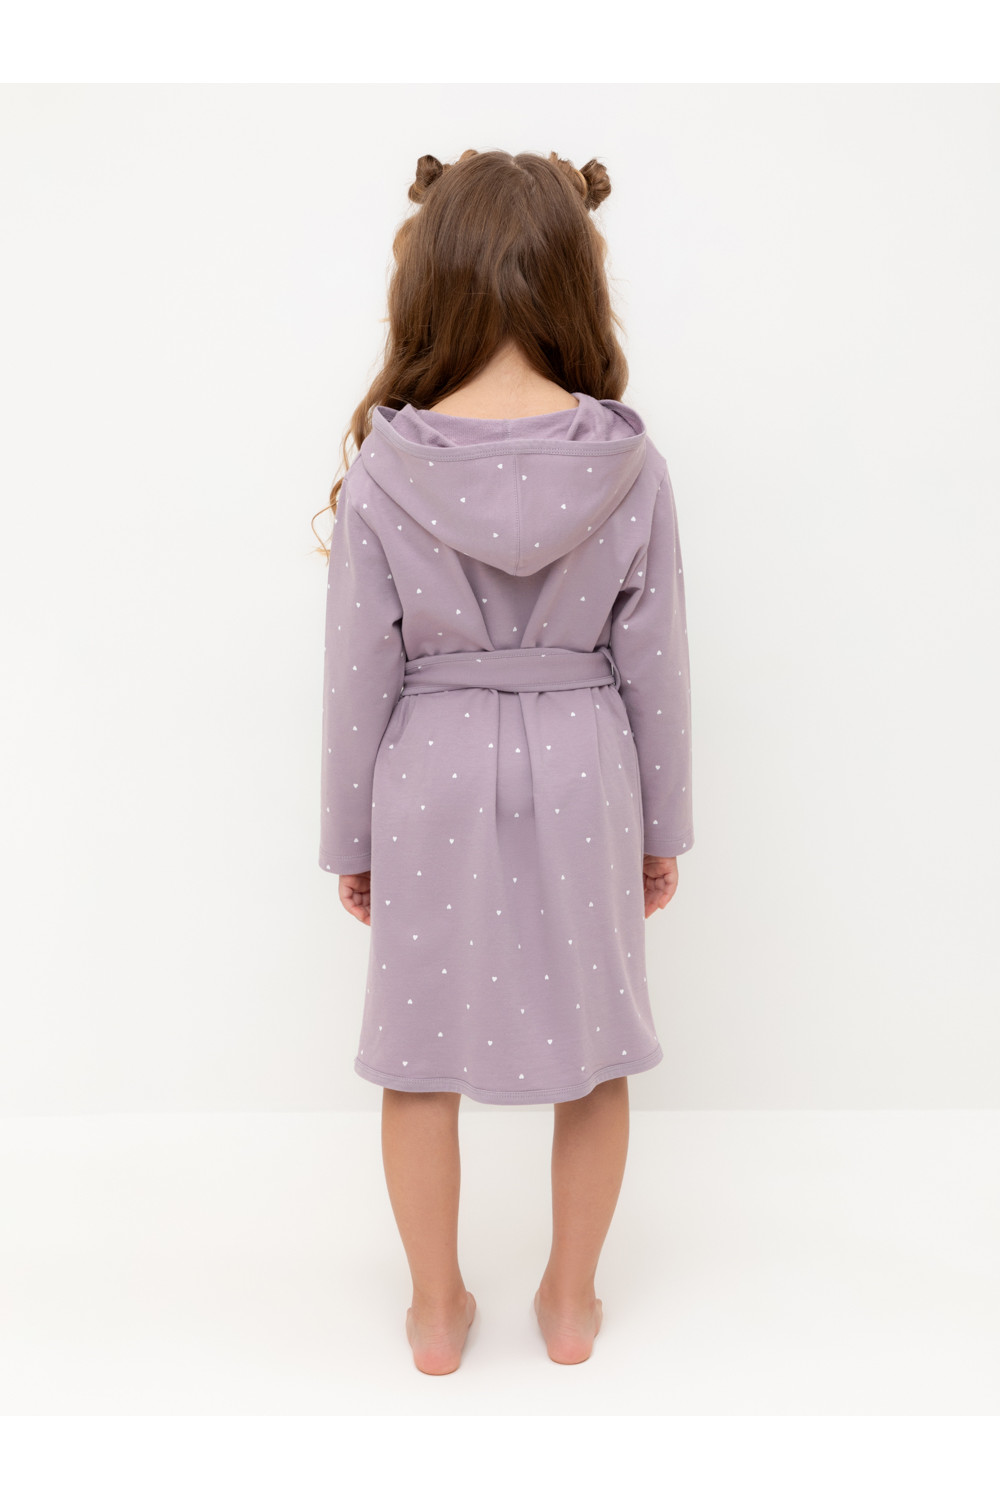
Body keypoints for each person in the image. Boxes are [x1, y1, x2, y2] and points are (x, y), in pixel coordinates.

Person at [313, 149, 694, 1376]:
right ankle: (570, 1305)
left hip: (429, 767)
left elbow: (357, 673)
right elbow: (656, 664)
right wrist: (662, 829)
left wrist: (351, 840)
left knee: (417, 1050)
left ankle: (435, 1312)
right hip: (587, 760)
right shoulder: (629, 463)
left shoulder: (389, 466)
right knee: (599, 1047)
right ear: (574, 277)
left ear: (430, 275)